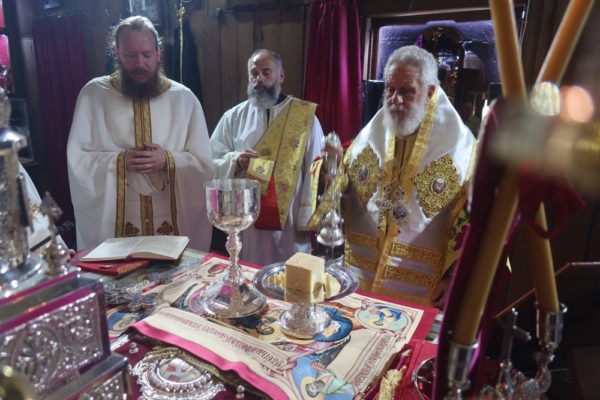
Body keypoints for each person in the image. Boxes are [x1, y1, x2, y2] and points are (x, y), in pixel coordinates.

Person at [311, 46, 477, 307]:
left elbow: (474, 223)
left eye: (407, 91)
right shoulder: (369, 137)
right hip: (360, 277)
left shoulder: (462, 151)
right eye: (390, 89)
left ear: (430, 92)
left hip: (422, 288)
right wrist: (332, 168)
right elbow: (343, 194)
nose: (395, 100)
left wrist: (455, 277)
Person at [67, 16, 213, 251]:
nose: (140, 64)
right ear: (117, 52)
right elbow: (78, 162)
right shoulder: (94, 95)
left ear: (158, 52)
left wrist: (168, 159)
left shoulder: (184, 99)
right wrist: (120, 162)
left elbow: (204, 166)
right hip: (118, 234)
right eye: (130, 55)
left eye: (146, 54)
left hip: (170, 230)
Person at [210, 49, 324, 265]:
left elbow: (315, 169)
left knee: (291, 273)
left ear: (281, 76)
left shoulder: (305, 118)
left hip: (290, 223)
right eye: (254, 73)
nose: (259, 79)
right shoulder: (234, 117)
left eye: (266, 72)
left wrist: (308, 220)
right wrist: (236, 160)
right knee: (250, 269)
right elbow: (211, 159)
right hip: (248, 220)